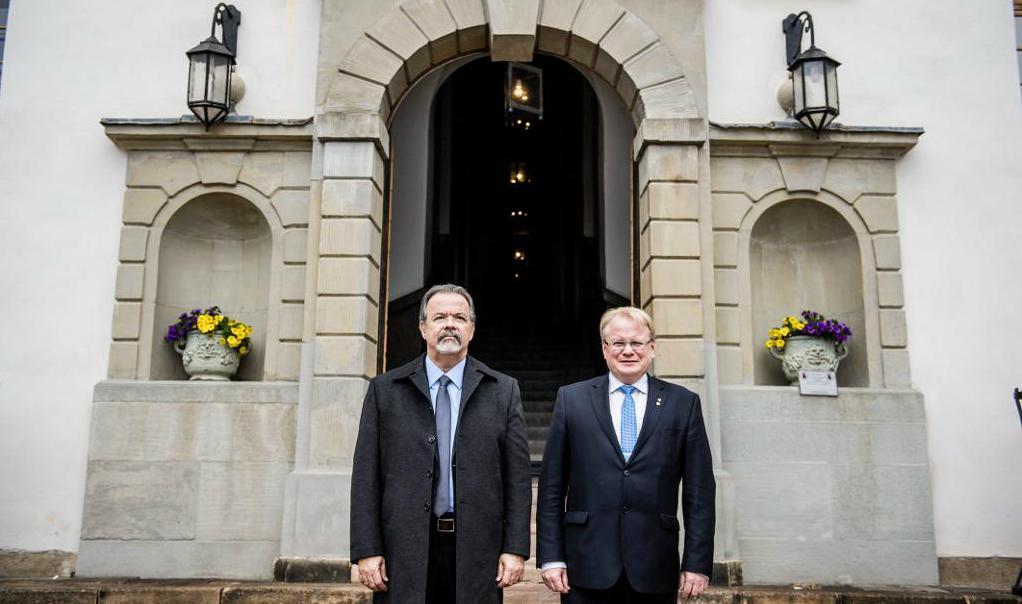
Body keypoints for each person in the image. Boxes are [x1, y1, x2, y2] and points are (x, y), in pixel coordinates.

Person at [350, 284, 532, 603]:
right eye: (440, 317)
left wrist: (515, 548)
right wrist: (367, 550)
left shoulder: (503, 391)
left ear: (472, 329)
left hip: (477, 551)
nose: (450, 323)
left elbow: (517, 479)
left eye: (459, 317)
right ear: (423, 327)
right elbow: (366, 477)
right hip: (402, 552)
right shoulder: (386, 391)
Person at [536, 306, 716, 602]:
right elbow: (552, 486)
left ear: (652, 347)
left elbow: (700, 493)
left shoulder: (683, 404)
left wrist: (697, 563)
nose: (628, 351)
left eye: (637, 343)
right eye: (618, 343)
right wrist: (551, 557)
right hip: (585, 564)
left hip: (655, 566)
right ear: (605, 349)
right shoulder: (572, 400)